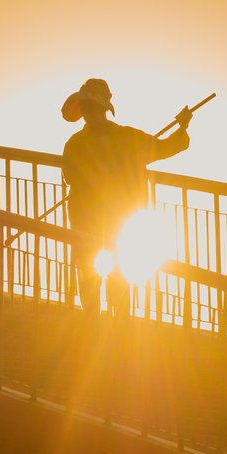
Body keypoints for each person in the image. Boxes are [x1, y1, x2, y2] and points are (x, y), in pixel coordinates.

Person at [61, 78, 192, 319]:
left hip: (108, 218)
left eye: (91, 107)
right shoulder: (120, 139)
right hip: (103, 217)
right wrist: (181, 130)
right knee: (97, 270)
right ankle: (102, 321)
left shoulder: (82, 142)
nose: (90, 112)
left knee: (111, 271)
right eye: (88, 108)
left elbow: (166, 147)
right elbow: (166, 147)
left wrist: (182, 128)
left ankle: (111, 322)